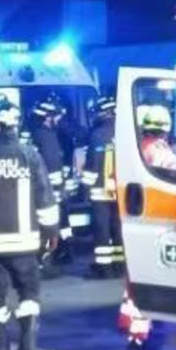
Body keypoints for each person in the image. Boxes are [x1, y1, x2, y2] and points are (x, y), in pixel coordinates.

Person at [0, 96, 59, 350]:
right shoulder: (30, 155)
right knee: (29, 294)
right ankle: (28, 342)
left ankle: (1, 343)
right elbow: (45, 198)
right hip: (26, 246)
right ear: (15, 126)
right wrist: (51, 233)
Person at [81, 95, 123, 278]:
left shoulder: (97, 135)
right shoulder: (125, 132)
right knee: (118, 228)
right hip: (121, 191)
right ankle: (119, 265)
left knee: (102, 230)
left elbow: (91, 165)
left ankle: (104, 268)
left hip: (101, 192)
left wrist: (83, 189)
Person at [29, 94, 70, 273]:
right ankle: (52, 254)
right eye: (55, 116)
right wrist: (59, 189)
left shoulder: (40, 134)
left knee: (59, 222)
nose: (58, 120)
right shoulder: (46, 137)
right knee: (52, 222)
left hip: (48, 188)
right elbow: (52, 165)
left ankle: (62, 250)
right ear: (47, 117)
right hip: (50, 190)